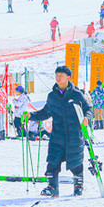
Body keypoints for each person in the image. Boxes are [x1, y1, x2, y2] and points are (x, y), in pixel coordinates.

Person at [28, 65, 91, 198]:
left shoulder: (77, 95)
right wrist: (30, 116)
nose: (58, 78)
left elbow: (88, 109)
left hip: (74, 135)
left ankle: (78, 186)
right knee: (52, 162)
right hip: (57, 135)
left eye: (61, 75)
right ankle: (52, 188)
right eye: (57, 75)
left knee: (75, 162)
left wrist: (87, 117)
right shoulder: (52, 96)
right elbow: (45, 113)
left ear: (68, 77)